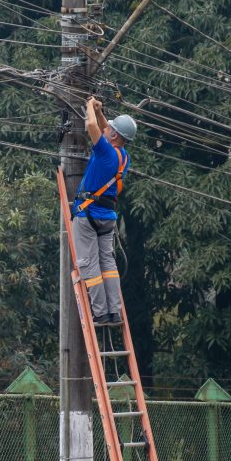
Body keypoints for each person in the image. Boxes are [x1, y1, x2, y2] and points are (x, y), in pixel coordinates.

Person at [72, 96, 135, 326]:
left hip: (87, 216)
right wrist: (100, 111)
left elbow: (91, 127)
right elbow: (105, 127)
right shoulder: (123, 157)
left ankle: (100, 313)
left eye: (110, 128)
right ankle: (114, 312)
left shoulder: (105, 152)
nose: (106, 128)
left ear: (115, 136)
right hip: (107, 218)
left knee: (89, 265)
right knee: (108, 265)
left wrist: (88, 105)